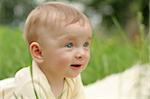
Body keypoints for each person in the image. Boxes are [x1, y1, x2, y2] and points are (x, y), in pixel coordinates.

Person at [0, 1, 92, 99]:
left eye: (85, 44)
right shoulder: (31, 85)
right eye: (69, 45)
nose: (81, 53)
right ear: (38, 52)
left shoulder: (72, 77)